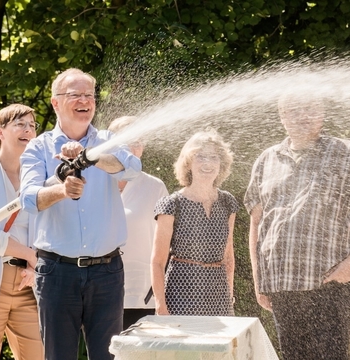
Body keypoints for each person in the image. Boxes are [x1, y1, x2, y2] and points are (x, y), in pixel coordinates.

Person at [19, 68, 142, 360]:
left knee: (109, 356)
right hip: (57, 273)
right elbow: (28, 198)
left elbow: (132, 169)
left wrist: (91, 156)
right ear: (55, 102)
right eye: (75, 95)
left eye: (89, 95)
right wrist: (63, 190)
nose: (84, 100)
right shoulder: (38, 147)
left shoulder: (109, 140)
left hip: (107, 272)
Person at [244, 93, 350, 360]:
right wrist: (259, 280)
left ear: (322, 113)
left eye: (309, 109)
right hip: (281, 285)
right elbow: (256, 223)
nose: (302, 116)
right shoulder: (267, 159)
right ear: (282, 117)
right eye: (293, 110)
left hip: (328, 283)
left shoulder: (344, 153)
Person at [151, 129, 239, 316]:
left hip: (219, 296)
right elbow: (158, 262)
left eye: (213, 157)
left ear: (221, 163)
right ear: (188, 163)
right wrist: (160, 305)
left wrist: (229, 300)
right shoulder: (171, 204)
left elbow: (228, 259)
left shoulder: (228, 202)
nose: (207, 163)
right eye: (200, 156)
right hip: (180, 295)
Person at [0, 104, 44, 359]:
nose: (28, 130)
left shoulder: (40, 180)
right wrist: (29, 254)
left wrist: (35, 265)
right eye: (20, 124)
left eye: (32, 125)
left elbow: (49, 231)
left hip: (28, 284)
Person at [108, 116, 169, 329]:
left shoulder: (155, 187)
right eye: (127, 140)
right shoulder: (95, 183)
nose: (134, 147)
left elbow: (166, 244)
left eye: (138, 141)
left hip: (142, 292)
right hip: (99, 290)